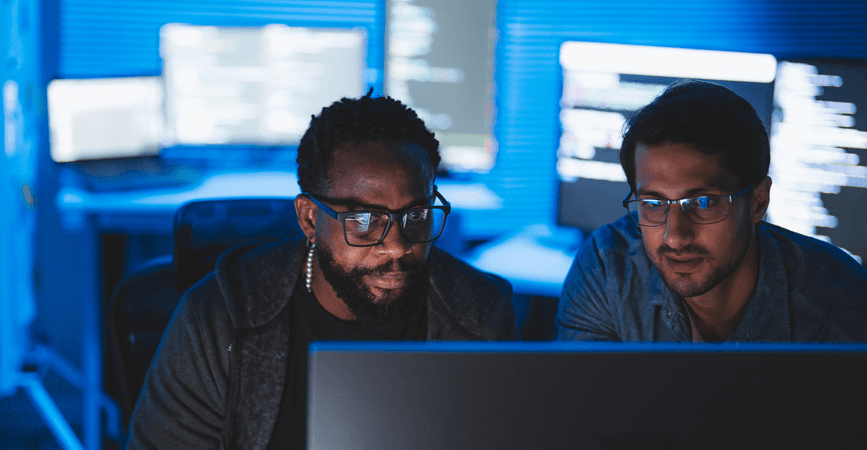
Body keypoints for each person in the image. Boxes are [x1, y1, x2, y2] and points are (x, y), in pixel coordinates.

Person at [127, 91, 518, 449]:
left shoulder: (481, 316)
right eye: (365, 219)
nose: (399, 245)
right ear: (310, 219)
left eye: (416, 215)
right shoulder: (216, 318)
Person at [556, 80, 867, 343]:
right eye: (653, 204)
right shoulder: (609, 269)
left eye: (703, 202)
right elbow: (584, 410)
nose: (675, 236)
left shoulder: (837, 307)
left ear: (757, 201)